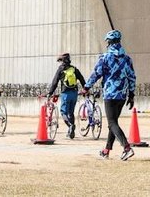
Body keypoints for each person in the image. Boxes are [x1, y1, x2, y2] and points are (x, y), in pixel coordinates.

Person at [83, 29, 136, 160]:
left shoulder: (105, 58)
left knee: (112, 123)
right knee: (114, 123)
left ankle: (127, 148)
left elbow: (96, 74)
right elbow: (132, 77)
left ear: (109, 42)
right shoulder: (127, 59)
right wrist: (131, 94)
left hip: (110, 94)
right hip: (122, 95)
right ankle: (106, 150)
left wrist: (86, 87)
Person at [47, 52, 86, 139]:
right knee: (71, 112)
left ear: (62, 61)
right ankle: (71, 131)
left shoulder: (61, 69)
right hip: (74, 94)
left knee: (63, 112)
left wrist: (50, 93)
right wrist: (85, 89)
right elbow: (82, 79)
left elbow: (55, 82)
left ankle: (70, 126)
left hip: (66, 94)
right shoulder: (74, 69)